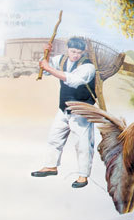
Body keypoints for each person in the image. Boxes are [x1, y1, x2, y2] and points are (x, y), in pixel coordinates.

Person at [31, 37, 96, 188]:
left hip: (81, 110)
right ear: (68, 49)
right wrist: (46, 54)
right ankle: (50, 166)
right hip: (64, 108)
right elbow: (45, 67)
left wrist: (48, 68)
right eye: (73, 51)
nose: (75, 55)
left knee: (83, 144)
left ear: (83, 52)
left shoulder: (88, 67)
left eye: (79, 52)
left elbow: (72, 80)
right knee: (54, 137)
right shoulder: (61, 59)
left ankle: (83, 176)